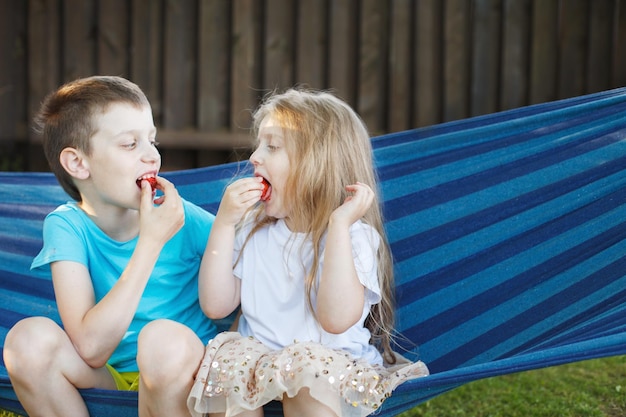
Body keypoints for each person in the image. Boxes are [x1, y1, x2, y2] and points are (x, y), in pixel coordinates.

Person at [187, 88, 429, 417]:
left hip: (327, 371)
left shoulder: (352, 236)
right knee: (230, 364)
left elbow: (336, 319)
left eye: (271, 146)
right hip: (256, 368)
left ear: (318, 164)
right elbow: (216, 306)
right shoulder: (253, 229)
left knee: (305, 373)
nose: (254, 157)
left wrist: (339, 225)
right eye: (258, 144)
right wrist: (225, 224)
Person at [2, 75, 217, 417]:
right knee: (26, 342)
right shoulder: (66, 226)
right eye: (130, 145)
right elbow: (90, 349)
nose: (152, 156)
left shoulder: (182, 218)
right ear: (78, 163)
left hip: (183, 374)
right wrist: (151, 242)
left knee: (161, 342)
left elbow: (248, 282)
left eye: (152, 140)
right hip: (110, 381)